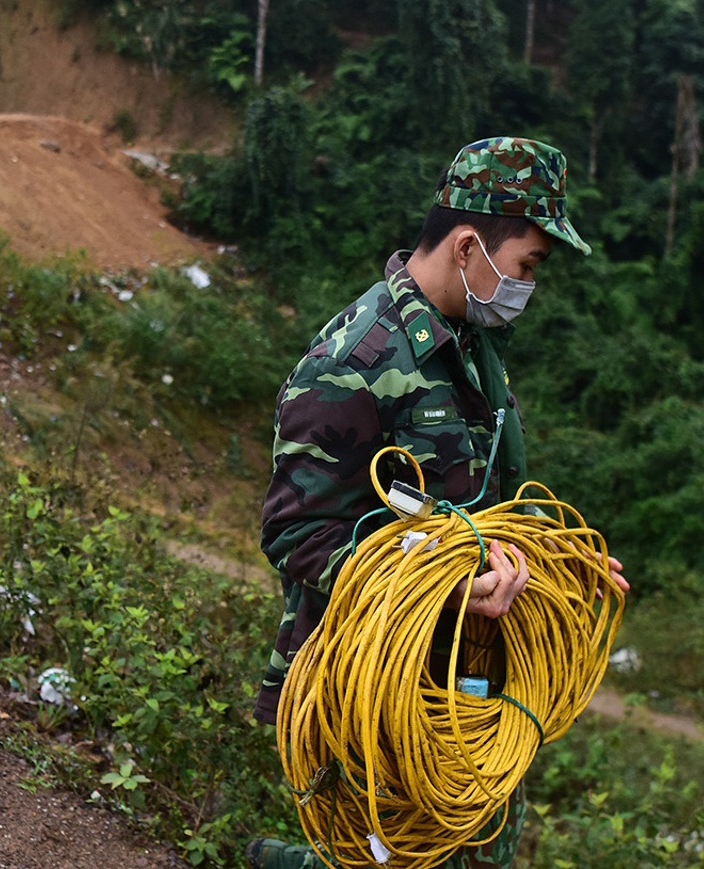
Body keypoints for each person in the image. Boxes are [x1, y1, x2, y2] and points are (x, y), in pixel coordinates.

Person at [246, 137, 629, 867]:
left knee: (475, 851)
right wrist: (446, 586)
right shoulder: (354, 363)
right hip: (383, 692)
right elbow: (296, 533)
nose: (527, 286)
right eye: (526, 266)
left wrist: (562, 556)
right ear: (466, 246)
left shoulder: (474, 343)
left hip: (475, 681)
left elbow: (495, 494)